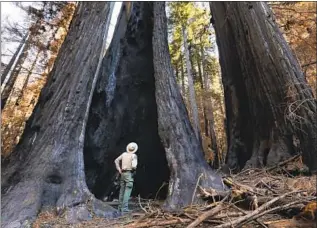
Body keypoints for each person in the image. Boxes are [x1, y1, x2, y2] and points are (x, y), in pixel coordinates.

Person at [114, 142, 138, 213]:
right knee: (127, 190)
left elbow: (116, 160)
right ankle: (124, 208)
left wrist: (119, 169)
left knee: (122, 191)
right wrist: (133, 170)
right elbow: (134, 166)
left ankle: (119, 207)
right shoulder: (134, 156)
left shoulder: (124, 154)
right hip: (129, 173)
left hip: (122, 174)